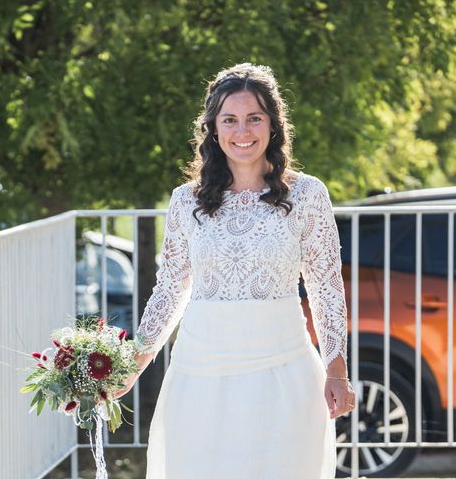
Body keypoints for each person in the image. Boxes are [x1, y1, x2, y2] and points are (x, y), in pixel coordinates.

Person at [114, 63, 355, 478]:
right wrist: (131, 364)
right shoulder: (184, 201)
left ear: (273, 126)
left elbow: (326, 288)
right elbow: (171, 288)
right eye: (230, 119)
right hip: (201, 373)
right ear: (213, 128)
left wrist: (337, 369)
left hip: (283, 370)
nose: (242, 131)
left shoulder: (308, 194)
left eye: (254, 118)